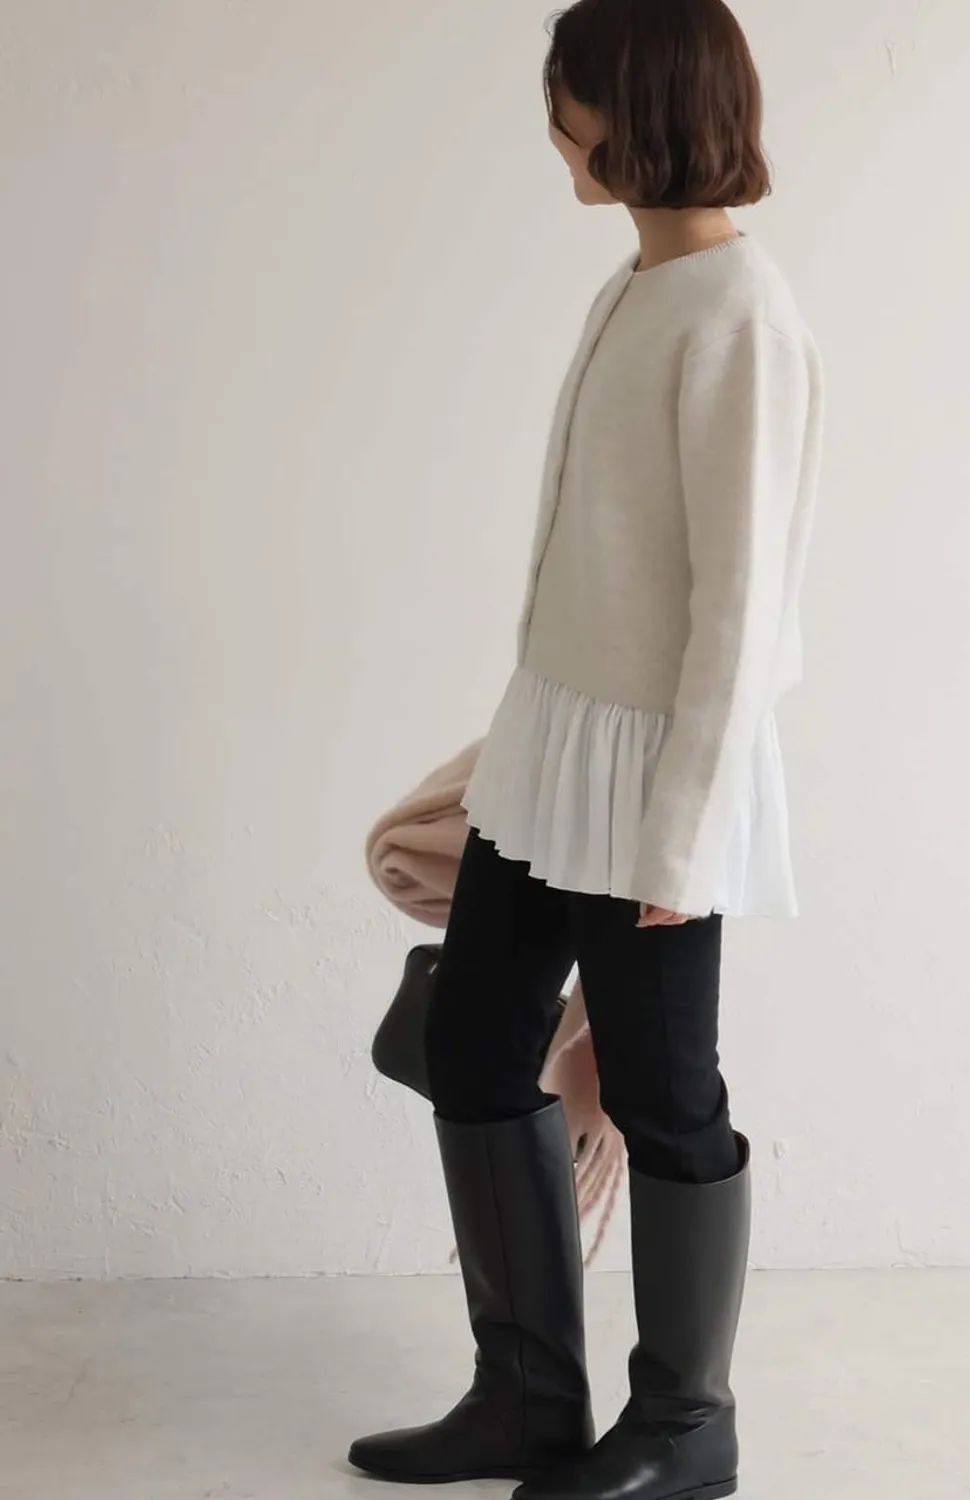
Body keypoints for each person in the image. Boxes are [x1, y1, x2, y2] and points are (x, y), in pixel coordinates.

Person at [348, 1, 823, 1497]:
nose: (555, 127)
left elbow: (743, 611)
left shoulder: (743, 318)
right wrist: (522, 736)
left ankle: (686, 1427)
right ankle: (525, 1397)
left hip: (655, 784)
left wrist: (684, 838)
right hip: (553, 755)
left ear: (636, 111)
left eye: (568, 100)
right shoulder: (641, 285)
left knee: (669, 1092)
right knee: (474, 1043)